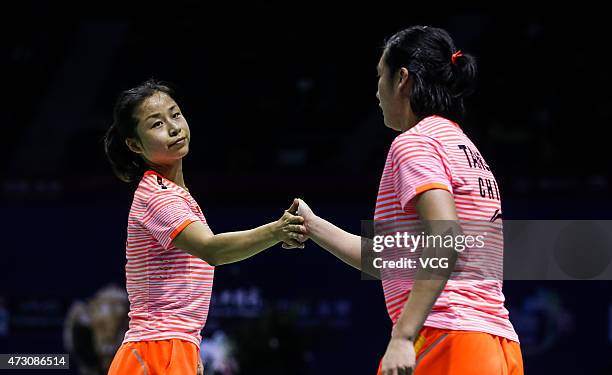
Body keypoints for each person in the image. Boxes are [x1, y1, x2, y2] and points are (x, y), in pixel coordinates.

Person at [296, 26, 523, 374]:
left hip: (446, 337)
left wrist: (403, 335)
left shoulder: (415, 143)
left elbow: (445, 239)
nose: (375, 92)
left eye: (379, 77)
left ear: (402, 78)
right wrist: (313, 226)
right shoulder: (464, 148)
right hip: (495, 345)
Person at [103, 79, 307, 374]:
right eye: (156, 124)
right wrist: (276, 231)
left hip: (174, 346)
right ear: (134, 144)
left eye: (175, 114)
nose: (173, 127)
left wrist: (189, 346)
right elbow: (212, 250)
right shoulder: (157, 197)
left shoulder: (174, 194)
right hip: (156, 350)